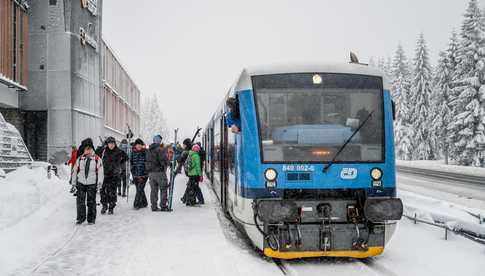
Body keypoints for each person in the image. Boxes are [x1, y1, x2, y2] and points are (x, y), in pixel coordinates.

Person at [71, 138, 104, 225]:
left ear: (92, 149)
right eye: (86, 149)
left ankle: (91, 219)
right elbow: (75, 171)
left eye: (89, 149)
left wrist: (100, 183)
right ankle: (80, 218)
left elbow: (100, 172)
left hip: (92, 183)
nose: (88, 151)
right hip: (81, 182)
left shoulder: (97, 159)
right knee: (80, 201)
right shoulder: (80, 159)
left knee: (91, 201)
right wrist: (73, 183)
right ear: (84, 150)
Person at [100, 137, 128, 215]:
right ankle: (104, 206)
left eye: (112, 143)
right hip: (105, 174)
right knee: (103, 191)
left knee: (112, 192)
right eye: (109, 143)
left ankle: (111, 207)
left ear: (115, 144)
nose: (111, 145)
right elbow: (97, 155)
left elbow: (126, 157)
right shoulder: (104, 151)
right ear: (107, 144)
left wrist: (120, 163)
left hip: (114, 175)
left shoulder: (118, 151)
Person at [146, 135, 170, 211]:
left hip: (151, 173)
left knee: (153, 190)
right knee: (163, 188)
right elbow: (163, 160)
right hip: (159, 172)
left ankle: (154, 206)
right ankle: (163, 205)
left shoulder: (149, 150)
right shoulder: (160, 149)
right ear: (159, 141)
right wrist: (169, 163)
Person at [131, 138, 148, 209]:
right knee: (140, 189)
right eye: (137, 145)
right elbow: (131, 162)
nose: (139, 146)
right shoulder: (132, 153)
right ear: (135, 145)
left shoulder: (145, 152)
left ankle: (136, 204)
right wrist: (132, 170)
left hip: (143, 174)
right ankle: (144, 203)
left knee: (139, 189)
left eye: (140, 145)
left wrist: (145, 171)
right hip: (135, 174)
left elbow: (148, 162)